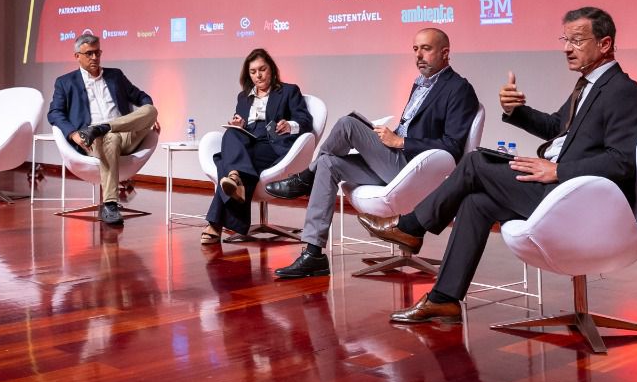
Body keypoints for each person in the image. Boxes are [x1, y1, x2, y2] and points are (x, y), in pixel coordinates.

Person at [378, 6, 637, 324]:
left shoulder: (623, 92)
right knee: (476, 202)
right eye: (565, 39)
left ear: (604, 44)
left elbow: (621, 162)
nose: (567, 48)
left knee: (475, 160)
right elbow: (556, 128)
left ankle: (411, 227)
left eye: (577, 40)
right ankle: (444, 299)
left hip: (578, 198)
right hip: (558, 187)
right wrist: (516, 111)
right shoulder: (587, 86)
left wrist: (558, 171)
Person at [273, 28, 478, 279]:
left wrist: (401, 141)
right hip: (394, 160)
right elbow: (411, 127)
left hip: (412, 168)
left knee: (348, 124)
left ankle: (305, 177)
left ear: (445, 53)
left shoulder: (459, 89)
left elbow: (453, 146)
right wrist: (388, 136)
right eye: (415, 49)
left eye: (426, 49)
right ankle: (313, 254)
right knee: (327, 163)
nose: (418, 55)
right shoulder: (419, 84)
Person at [202, 48, 314, 244]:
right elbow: (241, 121)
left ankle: (216, 222)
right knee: (231, 133)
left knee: (224, 162)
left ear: (271, 69)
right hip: (248, 140)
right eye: (253, 72)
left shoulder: (289, 91)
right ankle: (235, 178)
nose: (258, 75)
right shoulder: (243, 96)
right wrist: (239, 124)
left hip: (272, 142)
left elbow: (305, 120)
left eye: (262, 69)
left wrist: (290, 125)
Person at [47, 32, 159, 225]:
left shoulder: (115, 76)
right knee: (110, 138)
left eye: (97, 53)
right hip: (93, 139)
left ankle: (105, 126)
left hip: (125, 133)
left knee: (151, 110)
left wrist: (147, 116)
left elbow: (141, 97)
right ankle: (110, 205)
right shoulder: (65, 82)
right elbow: (55, 113)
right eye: (89, 54)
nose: (94, 57)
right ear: (77, 56)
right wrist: (73, 134)